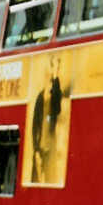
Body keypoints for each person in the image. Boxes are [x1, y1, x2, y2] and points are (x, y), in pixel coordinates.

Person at [31, 54, 63, 183]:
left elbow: (57, 105)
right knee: (36, 180)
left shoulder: (56, 93)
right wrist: (35, 147)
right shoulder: (40, 96)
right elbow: (35, 124)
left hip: (50, 144)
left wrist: (56, 73)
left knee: (50, 178)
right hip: (40, 144)